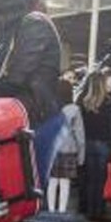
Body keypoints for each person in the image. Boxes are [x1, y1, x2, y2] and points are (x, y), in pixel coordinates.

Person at [0, 0, 63, 185]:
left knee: (30, 189)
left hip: (38, 122)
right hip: (18, 120)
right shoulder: (10, 30)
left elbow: (16, 77)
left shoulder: (35, 24)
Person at [79, 71, 111, 221]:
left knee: (89, 179)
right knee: (100, 179)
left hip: (87, 143)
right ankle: (98, 211)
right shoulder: (109, 101)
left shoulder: (83, 101)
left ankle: (88, 210)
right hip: (103, 143)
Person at [48, 79, 84, 212]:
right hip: (69, 149)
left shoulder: (49, 108)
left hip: (52, 149)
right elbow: (79, 134)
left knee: (52, 181)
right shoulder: (74, 109)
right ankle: (62, 210)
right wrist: (81, 155)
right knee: (65, 181)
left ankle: (51, 210)